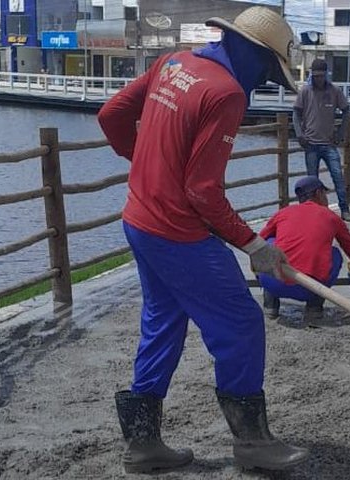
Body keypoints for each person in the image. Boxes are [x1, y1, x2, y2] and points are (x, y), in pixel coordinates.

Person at [97, 7, 310, 473]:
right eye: (267, 70)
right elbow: (202, 191)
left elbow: (111, 115)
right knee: (241, 324)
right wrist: (255, 245)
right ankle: (252, 442)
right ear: (251, 52)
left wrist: (148, 166)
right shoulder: (226, 92)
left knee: (163, 322)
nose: (263, 81)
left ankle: (143, 444)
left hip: (139, 219)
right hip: (177, 232)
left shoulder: (173, 62)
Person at [257, 176, 350, 324]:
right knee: (335, 254)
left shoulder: (283, 213)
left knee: (269, 243)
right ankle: (314, 308)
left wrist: (258, 274)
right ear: (319, 193)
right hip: (311, 288)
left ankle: (270, 306)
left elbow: (257, 243)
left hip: (272, 283)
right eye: (325, 194)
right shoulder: (331, 217)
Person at [294, 58, 350, 222]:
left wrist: (340, 133)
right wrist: (299, 134)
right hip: (311, 144)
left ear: (326, 75)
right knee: (312, 182)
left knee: (338, 177)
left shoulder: (335, 91)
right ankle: (313, 213)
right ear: (312, 75)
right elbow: (296, 113)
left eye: (321, 75)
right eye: (315, 76)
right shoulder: (305, 91)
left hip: (329, 144)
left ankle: (344, 210)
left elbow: (347, 111)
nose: (318, 79)